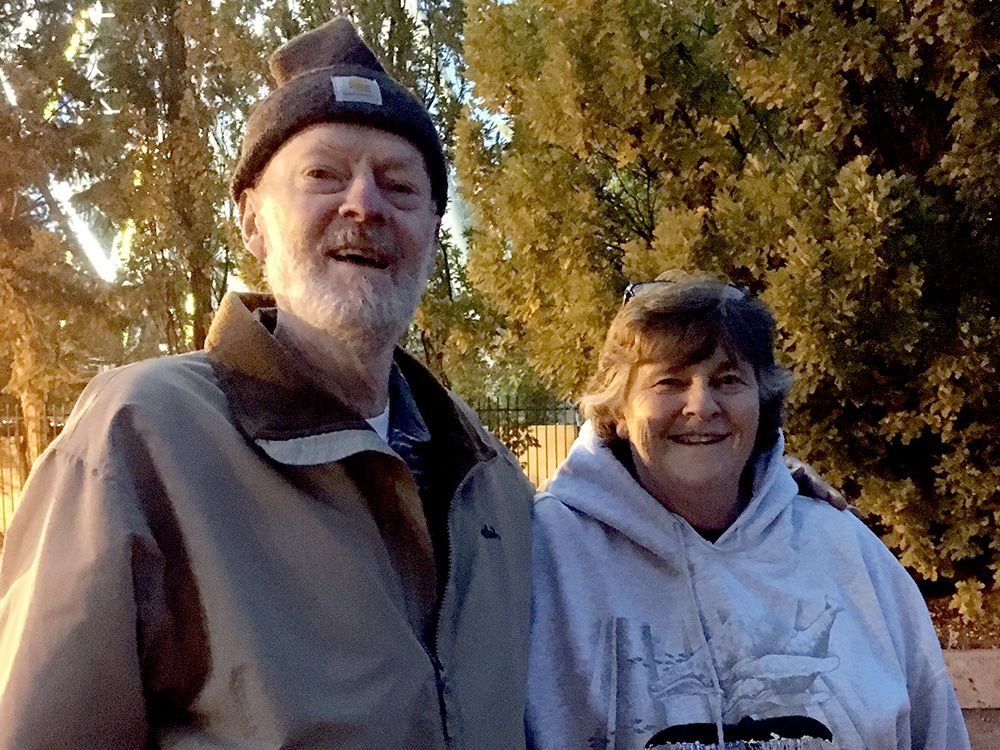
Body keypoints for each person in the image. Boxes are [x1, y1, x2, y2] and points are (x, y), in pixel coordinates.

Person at [0, 18, 535, 749]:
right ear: (252, 223)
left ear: (434, 233)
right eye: (324, 174)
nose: (365, 205)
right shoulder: (139, 438)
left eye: (400, 184)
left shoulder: (489, 481)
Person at [526, 278, 970, 750]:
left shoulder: (848, 553)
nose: (701, 405)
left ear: (762, 399)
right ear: (618, 408)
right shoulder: (542, 559)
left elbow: (934, 728)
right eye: (669, 381)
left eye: (728, 380)